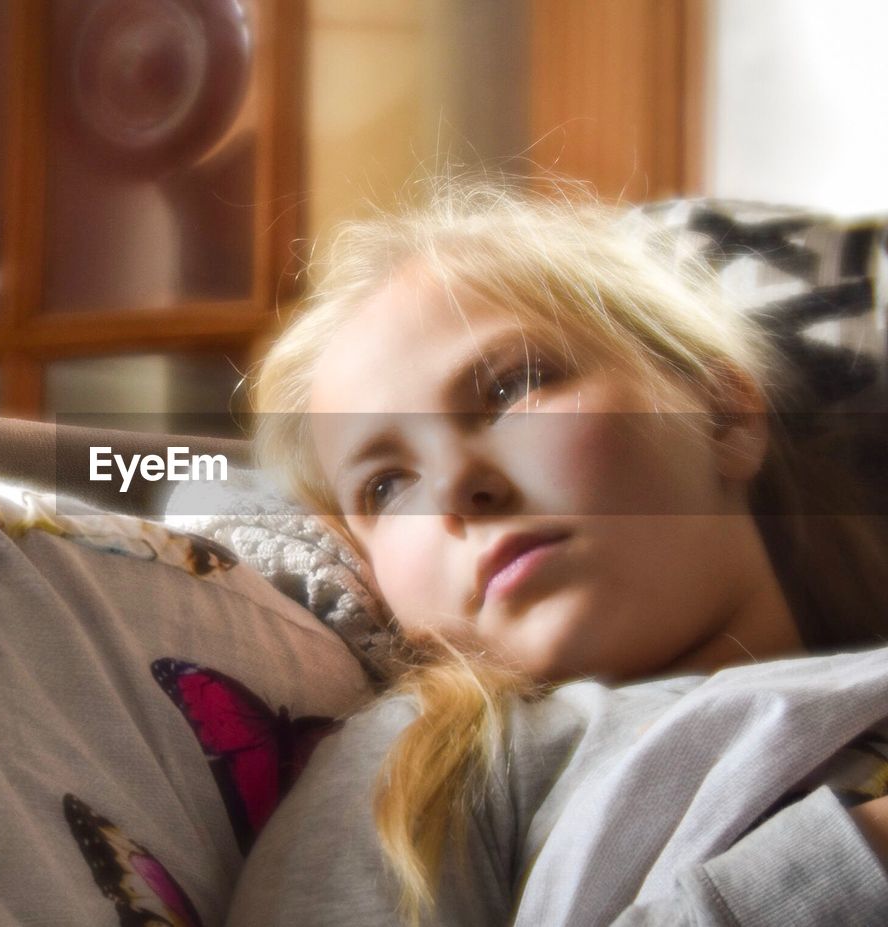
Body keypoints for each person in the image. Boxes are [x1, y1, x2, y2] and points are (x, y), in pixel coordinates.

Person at [227, 185, 888, 926]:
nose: (457, 487)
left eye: (512, 386)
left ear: (724, 413)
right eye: (385, 485)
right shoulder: (422, 772)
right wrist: (851, 861)